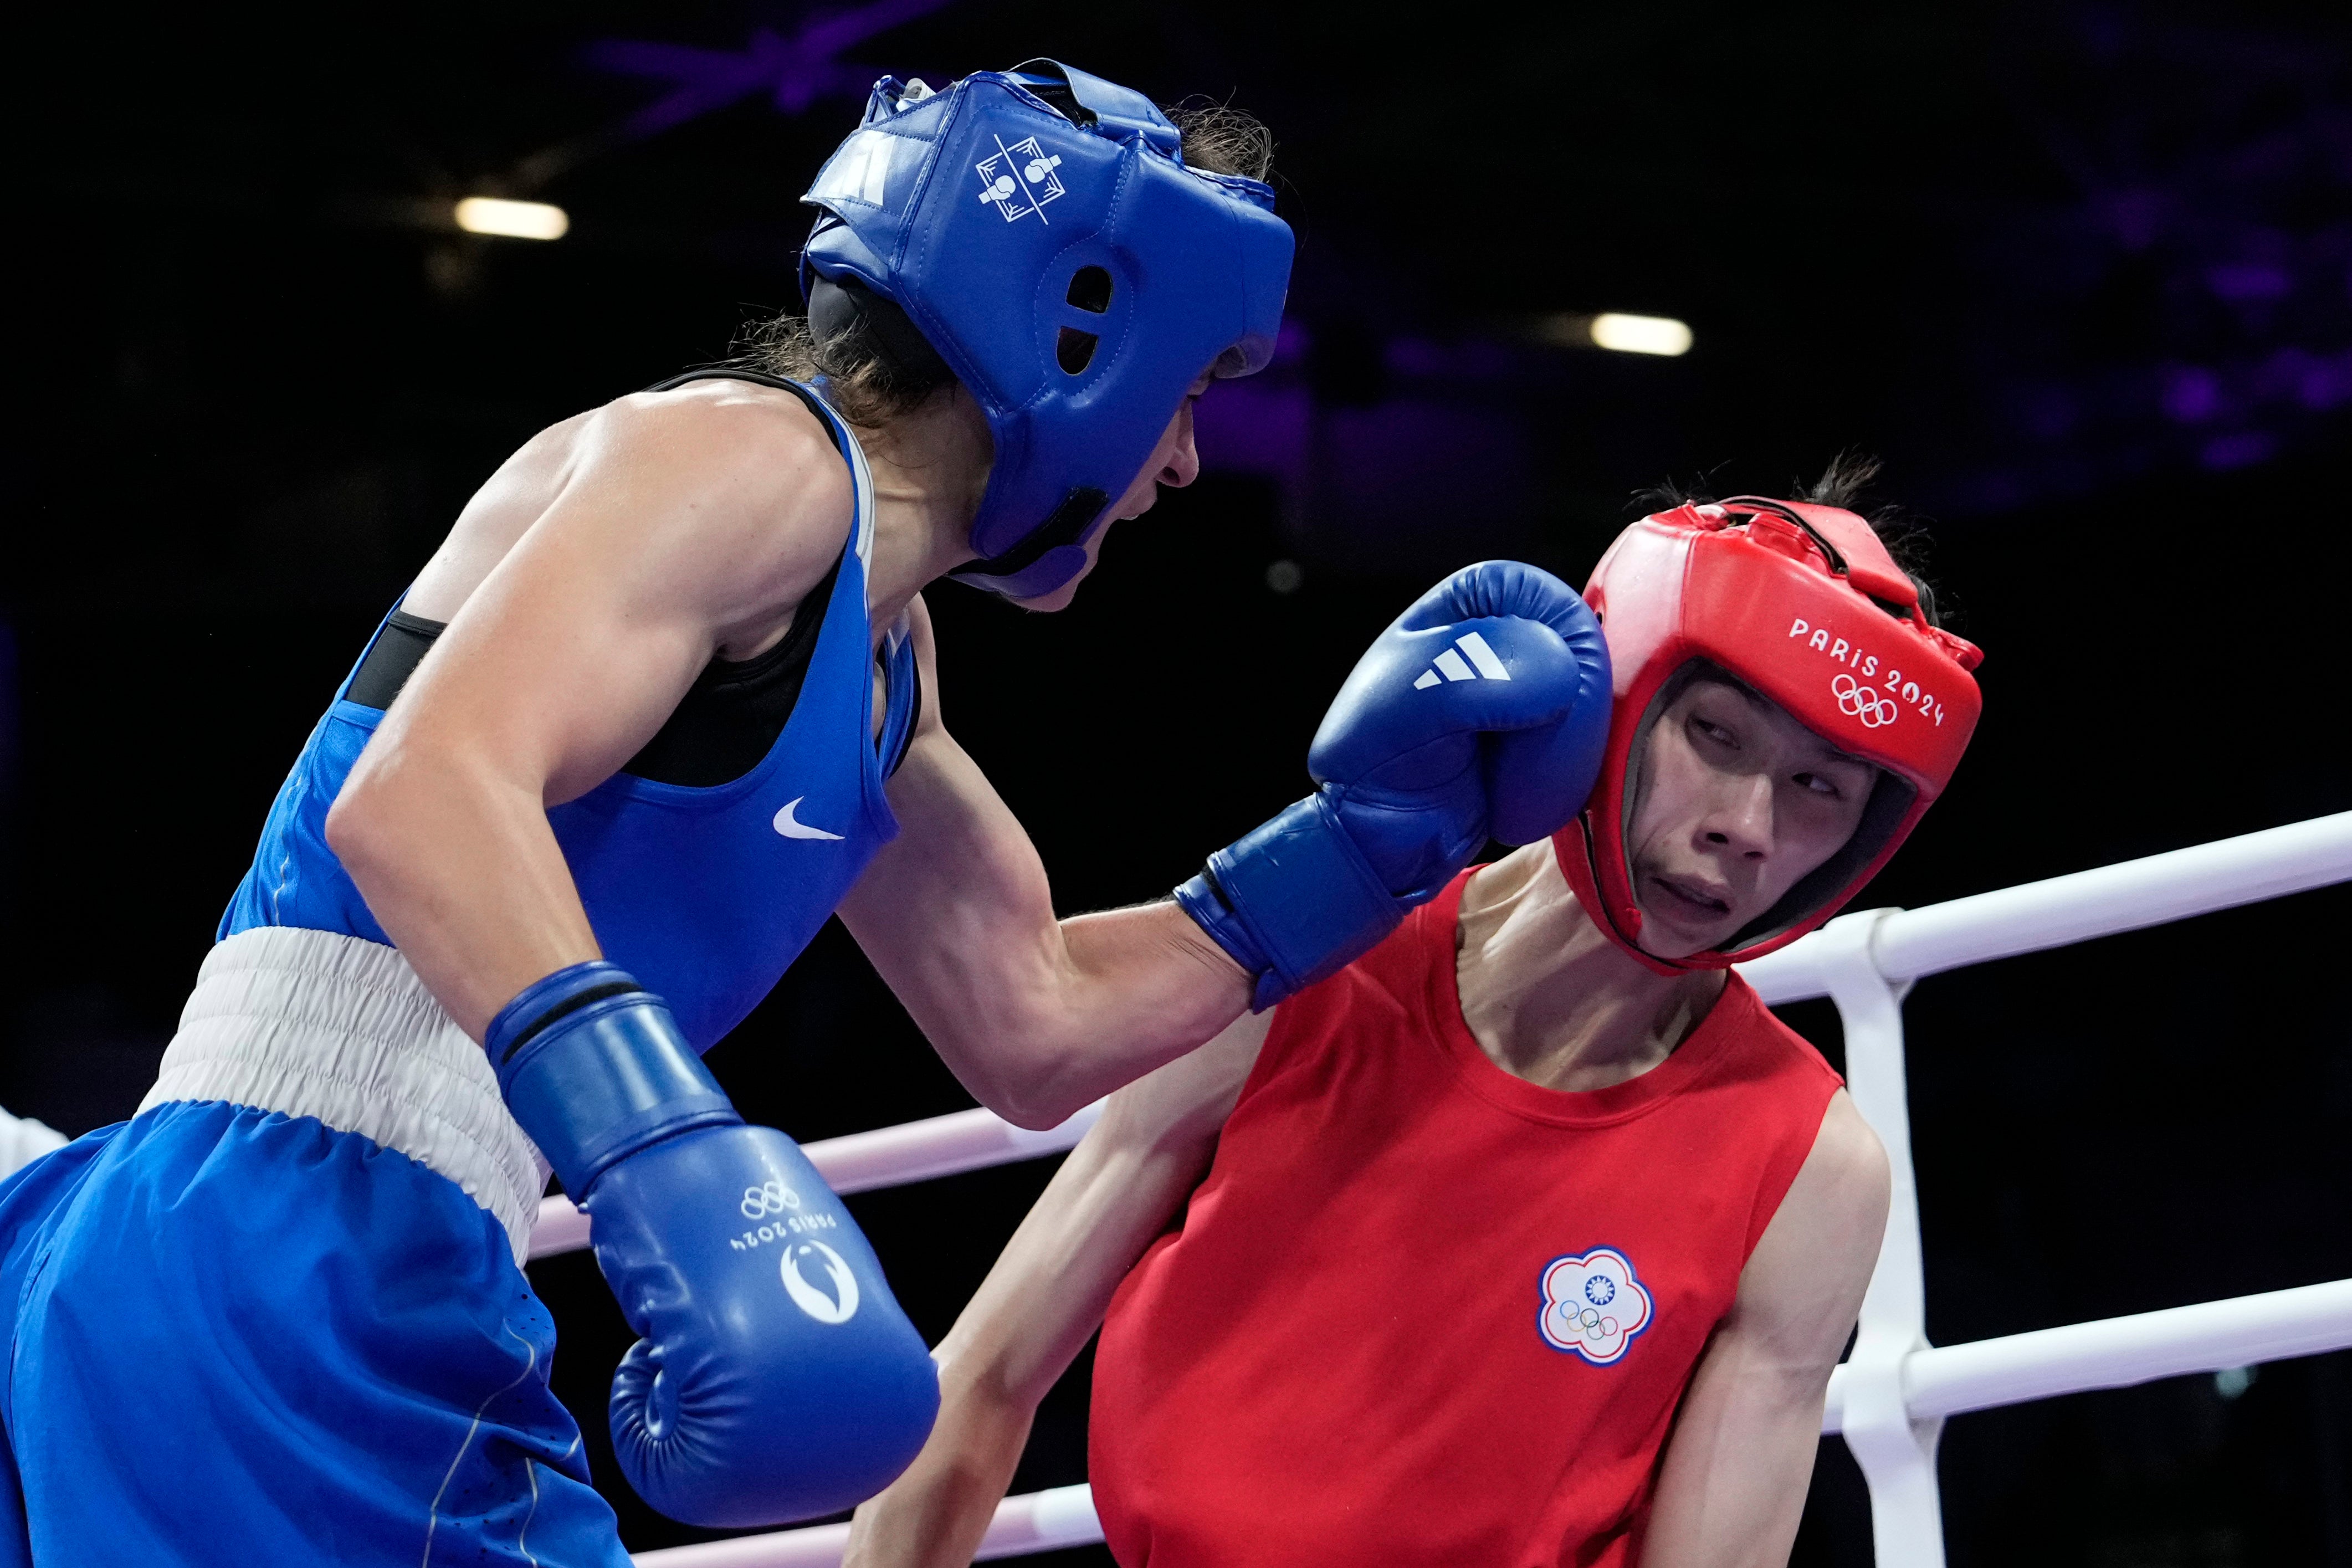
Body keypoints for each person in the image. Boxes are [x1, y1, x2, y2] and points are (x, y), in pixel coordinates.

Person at [0, 62, 1613, 1568]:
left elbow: (1031, 1019)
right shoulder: (741, 459)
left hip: (343, 1261)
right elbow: (420, 796)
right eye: (1186, 391)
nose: (1186, 463)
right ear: (1080, 331)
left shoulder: (878, 653)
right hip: (287, 1252)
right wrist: (670, 1156)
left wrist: (1369, 841)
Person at [842, 474, 1988, 1568]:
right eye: (1717, 737)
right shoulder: (1305, 956)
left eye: (1817, 788)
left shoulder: (1805, 1168)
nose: (1746, 825)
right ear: (1622, 692)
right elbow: (984, 1379)